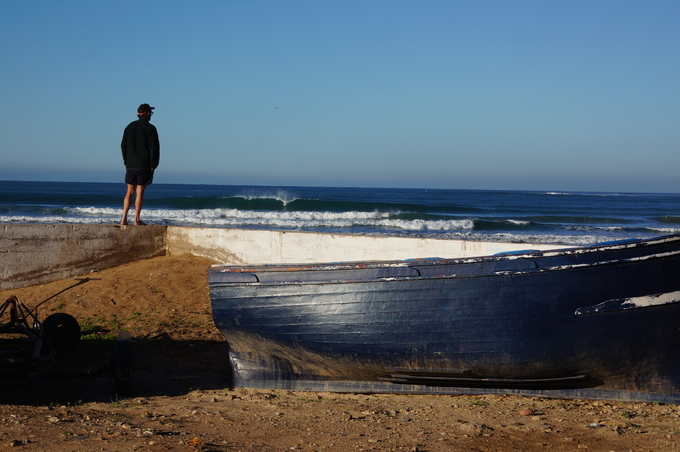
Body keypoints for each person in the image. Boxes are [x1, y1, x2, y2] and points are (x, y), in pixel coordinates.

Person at [120, 103, 160, 225]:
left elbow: (123, 146)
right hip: (144, 165)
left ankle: (123, 219)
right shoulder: (150, 128)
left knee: (129, 191)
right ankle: (136, 219)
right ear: (147, 113)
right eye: (150, 113)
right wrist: (154, 165)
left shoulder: (129, 127)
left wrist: (126, 161)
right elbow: (154, 148)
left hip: (131, 164)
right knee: (140, 191)